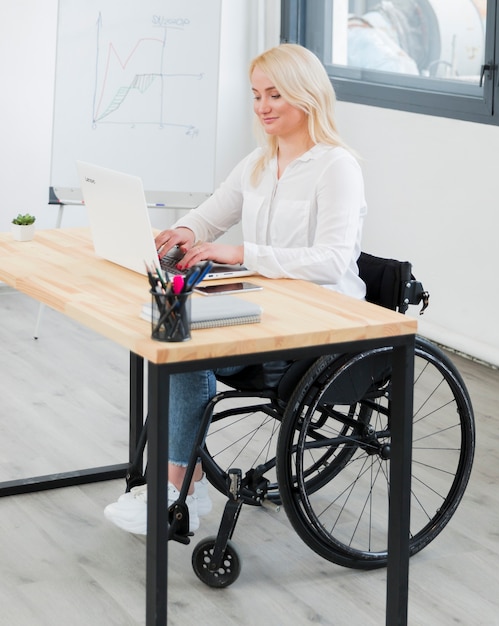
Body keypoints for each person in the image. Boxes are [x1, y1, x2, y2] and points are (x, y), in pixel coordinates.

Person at [104, 42, 367, 535]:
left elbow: (335, 260)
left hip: (318, 326)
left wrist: (241, 253)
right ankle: (190, 481)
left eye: (275, 95)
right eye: (257, 96)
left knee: (186, 343)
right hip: (264, 308)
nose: (263, 107)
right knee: (173, 333)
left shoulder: (337, 167)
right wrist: (184, 231)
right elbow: (211, 213)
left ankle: (175, 483)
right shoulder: (259, 161)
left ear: (307, 97)